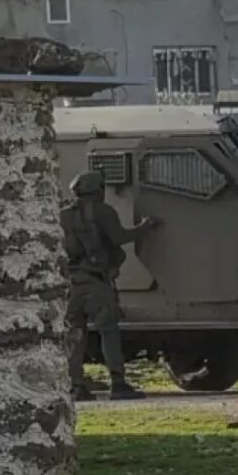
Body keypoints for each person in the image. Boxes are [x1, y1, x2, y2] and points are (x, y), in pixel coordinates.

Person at [61, 171, 159, 402]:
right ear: (98, 191)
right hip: (95, 283)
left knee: (75, 334)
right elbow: (119, 237)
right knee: (109, 332)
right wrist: (145, 227)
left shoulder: (63, 216)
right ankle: (117, 383)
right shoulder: (103, 212)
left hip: (70, 284)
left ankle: (76, 385)